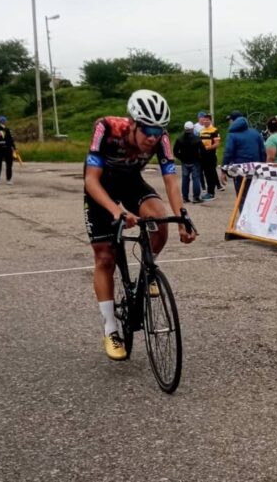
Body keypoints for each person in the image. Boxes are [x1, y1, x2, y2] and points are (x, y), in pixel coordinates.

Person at [83, 90, 196, 361]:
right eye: (147, 130)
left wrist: (182, 215)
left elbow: (170, 179)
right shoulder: (107, 128)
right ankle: (111, 328)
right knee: (105, 257)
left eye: (158, 131)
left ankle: (148, 270)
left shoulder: (161, 140)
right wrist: (116, 211)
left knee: (160, 218)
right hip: (101, 187)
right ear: (132, 123)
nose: (153, 137)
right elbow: (90, 180)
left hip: (131, 182)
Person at [222, 114, 266, 193]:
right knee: (254, 193)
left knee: (241, 194)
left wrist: (223, 170)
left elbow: (228, 153)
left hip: (240, 169)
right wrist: (262, 165)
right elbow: (262, 151)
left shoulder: (232, 135)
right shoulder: (256, 133)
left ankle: (241, 205)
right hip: (255, 168)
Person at [173, 121, 204, 203]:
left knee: (185, 179)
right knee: (196, 179)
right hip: (195, 161)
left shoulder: (179, 138)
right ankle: (196, 197)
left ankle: (185, 197)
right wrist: (200, 158)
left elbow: (175, 151)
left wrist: (181, 157)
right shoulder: (197, 139)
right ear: (192, 129)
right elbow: (203, 150)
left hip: (184, 161)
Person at [198, 113, 222, 201]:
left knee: (211, 174)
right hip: (202, 156)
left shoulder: (214, 130)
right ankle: (208, 192)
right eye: (204, 120)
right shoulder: (201, 131)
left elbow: (217, 143)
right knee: (206, 174)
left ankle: (211, 193)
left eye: (207, 120)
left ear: (210, 121)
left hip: (210, 155)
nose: (205, 121)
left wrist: (208, 148)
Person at [0, 115, 16, 184]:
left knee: (0, 165)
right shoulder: (5, 130)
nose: (4, 122)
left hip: (1, 150)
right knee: (7, 165)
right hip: (5, 149)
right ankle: (8, 180)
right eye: (4, 121)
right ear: (5, 121)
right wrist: (14, 148)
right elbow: (11, 140)